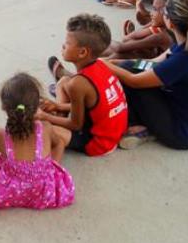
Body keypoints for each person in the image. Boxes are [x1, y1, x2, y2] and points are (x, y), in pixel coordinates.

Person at [105, 0, 188, 150]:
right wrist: (117, 62)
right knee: (128, 68)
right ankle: (145, 125)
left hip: (183, 134)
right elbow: (153, 63)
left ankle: (140, 126)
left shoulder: (184, 59)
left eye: (162, 12)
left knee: (127, 83)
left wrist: (105, 65)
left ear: (170, 23)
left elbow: (134, 82)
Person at [0, 72, 75, 211]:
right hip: (43, 192)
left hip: (9, 192)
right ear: (37, 106)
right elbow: (59, 143)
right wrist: (49, 168)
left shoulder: (0, 135)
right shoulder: (45, 128)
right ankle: (43, 172)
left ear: (4, 108)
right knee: (55, 146)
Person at [39, 14, 128, 156]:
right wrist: (58, 106)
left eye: (67, 43)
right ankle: (58, 115)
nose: (63, 45)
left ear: (82, 52)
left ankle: (55, 119)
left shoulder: (78, 84)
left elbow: (76, 125)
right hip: (112, 129)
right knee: (62, 82)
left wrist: (45, 116)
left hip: (99, 143)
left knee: (42, 127)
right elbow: (96, 107)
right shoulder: (101, 64)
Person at [102, 0, 187, 60]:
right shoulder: (181, 27)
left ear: (168, 14)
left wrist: (103, 36)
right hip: (156, 57)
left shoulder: (162, 36)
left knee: (120, 54)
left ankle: (95, 66)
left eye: (155, 10)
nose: (152, 13)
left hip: (155, 70)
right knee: (130, 47)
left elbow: (120, 47)